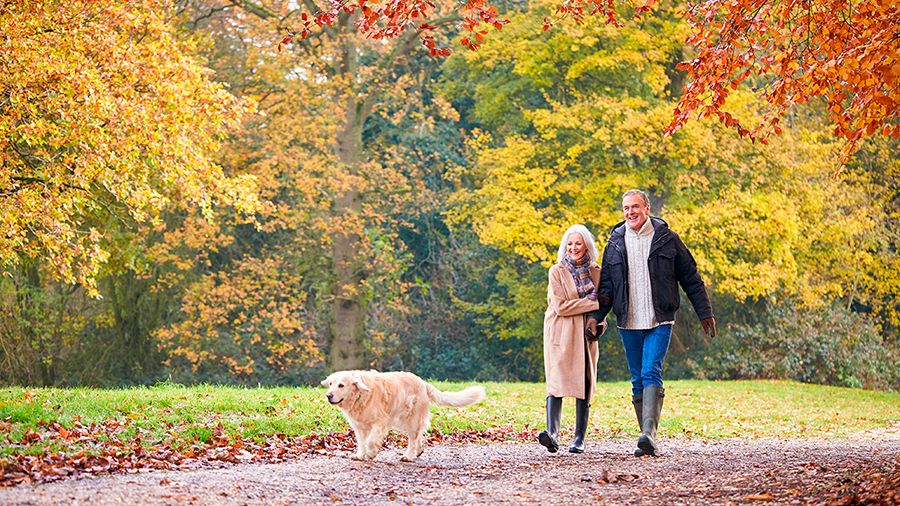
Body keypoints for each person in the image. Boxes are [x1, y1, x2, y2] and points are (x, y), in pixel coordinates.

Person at [597, 190, 716, 457]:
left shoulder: (667, 239)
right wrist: (597, 318)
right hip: (628, 321)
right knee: (637, 378)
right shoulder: (615, 242)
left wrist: (704, 312)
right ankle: (646, 439)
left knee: (651, 370)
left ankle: (649, 433)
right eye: (626, 208)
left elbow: (691, 278)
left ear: (647, 208)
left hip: (659, 318)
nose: (630, 212)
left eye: (635, 207)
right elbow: (606, 286)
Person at [539, 224, 609, 454]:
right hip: (560, 331)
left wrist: (600, 322)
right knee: (557, 382)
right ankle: (552, 434)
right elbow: (561, 307)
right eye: (570, 243)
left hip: (585, 334)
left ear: (586, 245)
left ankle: (579, 438)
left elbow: (603, 311)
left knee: (585, 383)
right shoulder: (556, 271)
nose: (574, 248)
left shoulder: (597, 272)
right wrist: (595, 303)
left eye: (578, 243)